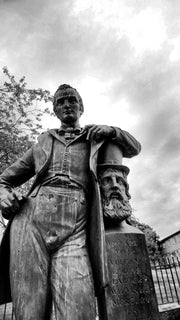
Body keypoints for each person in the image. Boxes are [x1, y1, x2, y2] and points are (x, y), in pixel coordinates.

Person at [0, 84, 141, 320]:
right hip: (30, 221)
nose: (67, 104)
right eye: (61, 102)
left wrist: (111, 131)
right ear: (55, 110)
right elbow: (4, 180)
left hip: (77, 223)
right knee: (29, 311)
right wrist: (4, 196)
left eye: (72, 100)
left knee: (79, 308)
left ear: (81, 107)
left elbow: (134, 147)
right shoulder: (42, 144)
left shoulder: (95, 138)